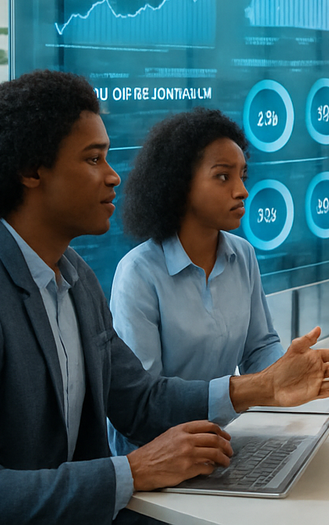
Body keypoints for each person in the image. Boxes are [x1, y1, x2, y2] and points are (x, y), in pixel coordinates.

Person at [0, 70, 329, 525]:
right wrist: (132, 470)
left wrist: (263, 385)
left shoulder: (77, 280)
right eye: (93, 160)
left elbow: (140, 402)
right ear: (31, 171)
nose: (113, 177)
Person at [107, 108, 286, 456]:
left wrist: (289, 374)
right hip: (157, 455)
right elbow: (144, 402)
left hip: (222, 444)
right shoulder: (138, 273)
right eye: (223, 177)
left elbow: (260, 347)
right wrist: (255, 388)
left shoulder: (243, 255)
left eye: (243, 175)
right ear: (180, 183)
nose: (242, 191)